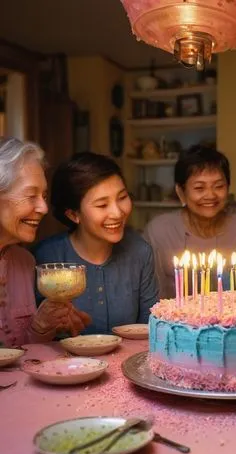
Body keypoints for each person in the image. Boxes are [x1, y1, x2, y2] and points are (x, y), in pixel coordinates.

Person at [34, 152, 157, 334]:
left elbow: (149, 328)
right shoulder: (45, 258)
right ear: (73, 215)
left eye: (122, 197)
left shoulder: (139, 252)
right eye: (102, 205)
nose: (117, 213)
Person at [0, 137, 89, 346]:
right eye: (31, 195)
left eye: (44, 195)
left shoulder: (25, 262)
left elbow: (21, 353)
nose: (44, 208)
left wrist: (41, 326)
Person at [143, 145, 236, 298]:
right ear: (181, 192)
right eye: (199, 188)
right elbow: (151, 295)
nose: (210, 195)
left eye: (219, 186)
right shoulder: (159, 232)